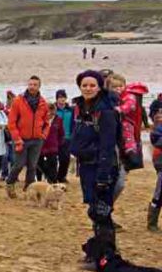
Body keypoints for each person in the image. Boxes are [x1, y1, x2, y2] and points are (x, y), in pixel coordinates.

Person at [70, 70, 120, 231]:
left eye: (92, 85)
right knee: (94, 210)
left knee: (101, 212)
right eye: (84, 85)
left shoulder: (105, 111)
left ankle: (107, 253)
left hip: (102, 166)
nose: (88, 88)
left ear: (99, 87)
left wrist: (103, 177)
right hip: (86, 165)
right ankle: (100, 250)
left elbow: (108, 145)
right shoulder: (80, 108)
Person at [5, 76, 51, 197]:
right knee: (19, 164)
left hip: (37, 139)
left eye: (35, 84)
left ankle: (29, 188)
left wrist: (43, 135)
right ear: (27, 85)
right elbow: (11, 122)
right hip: (21, 139)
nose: (32, 87)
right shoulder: (18, 101)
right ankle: (10, 183)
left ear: (39, 86)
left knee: (32, 166)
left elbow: (46, 122)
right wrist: (16, 138)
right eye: (30, 84)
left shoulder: (43, 103)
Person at [109, 74, 149, 171]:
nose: (118, 89)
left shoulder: (128, 95)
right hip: (117, 120)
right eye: (114, 87)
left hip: (127, 120)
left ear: (125, 85)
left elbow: (130, 105)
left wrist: (119, 109)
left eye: (120, 86)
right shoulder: (111, 97)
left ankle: (131, 149)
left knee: (127, 132)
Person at [36, 104, 64, 183]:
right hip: (41, 147)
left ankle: (53, 182)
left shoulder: (59, 120)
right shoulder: (40, 120)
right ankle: (39, 181)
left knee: (53, 166)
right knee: (39, 165)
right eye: (49, 112)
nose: (51, 114)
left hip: (53, 148)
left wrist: (58, 144)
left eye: (53, 112)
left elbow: (61, 134)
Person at [54, 90, 74, 183]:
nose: (62, 99)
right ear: (56, 99)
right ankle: (53, 176)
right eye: (60, 97)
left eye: (63, 97)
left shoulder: (70, 110)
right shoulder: (53, 110)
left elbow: (74, 123)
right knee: (53, 159)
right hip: (54, 138)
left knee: (65, 159)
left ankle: (61, 177)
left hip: (67, 137)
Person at [149, 109, 162, 231]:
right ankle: (152, 221)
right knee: (160, 192)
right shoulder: (159, 120)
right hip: (161, 159)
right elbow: (156, 140)